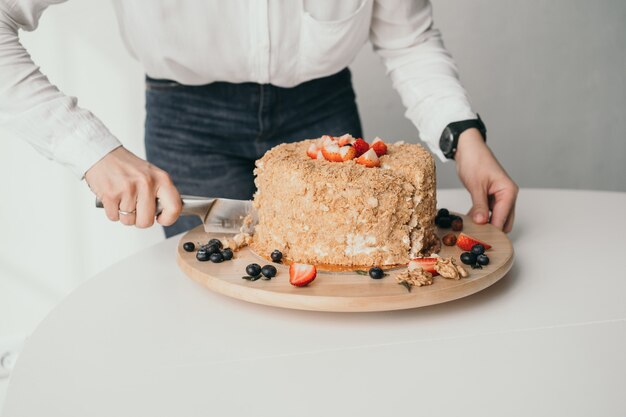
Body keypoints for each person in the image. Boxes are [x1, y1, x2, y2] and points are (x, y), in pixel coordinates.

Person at [0, 0, 518, 237]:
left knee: (341, 305)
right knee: (213, 314)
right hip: (188, 122)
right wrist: (92, 152)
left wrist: (462, 135)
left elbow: (407, 36)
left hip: (323, 112)